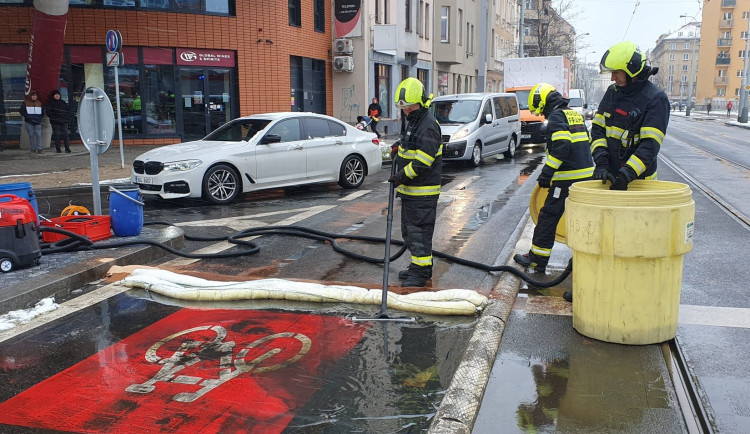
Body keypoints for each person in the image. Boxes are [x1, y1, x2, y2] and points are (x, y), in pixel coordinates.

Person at [513, 83, 594, 286]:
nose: (540, 114)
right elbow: (587, 141)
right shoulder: (573, 114)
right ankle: (583, 261)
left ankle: (537, 260)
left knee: (548, 216)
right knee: (583, 221)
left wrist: (547, 173)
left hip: (566, 178)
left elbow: (562, 146)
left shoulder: (557, 117)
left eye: (539, 109)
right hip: (585, 178)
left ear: (543, 102)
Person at [590, 41, 670, 192]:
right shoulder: (612, 92)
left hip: (640, 183)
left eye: (616, 72)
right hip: (610, 176)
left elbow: (650, 146)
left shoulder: (656, 99)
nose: (613, 78)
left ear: (631, 69)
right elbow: (597, 130)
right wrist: (601, 162)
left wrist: (627, 174)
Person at [390, 77, 442, 287]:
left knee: (419, 234)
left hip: (422, 193)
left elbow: (423, 161)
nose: (406, 113)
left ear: (420, 104)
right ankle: (419, 267)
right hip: (412, 192)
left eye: (409, 109)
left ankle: (420, 274)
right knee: (410, 233)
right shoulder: (416, 121)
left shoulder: (428, 125)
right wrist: (398, 146)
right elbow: (411, 145)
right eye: (403, 109)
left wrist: (401, 176)